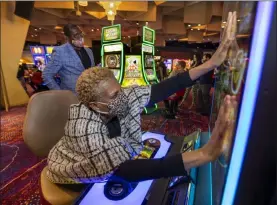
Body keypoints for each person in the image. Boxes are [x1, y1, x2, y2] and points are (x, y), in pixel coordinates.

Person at [46, 11, 237, 191]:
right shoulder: (84, 128)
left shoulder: (115, 99)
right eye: (114, 96)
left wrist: (210, 64)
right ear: (95, 105)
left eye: (120, 90)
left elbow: (162, 88)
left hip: (102, 148)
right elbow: (126, 170)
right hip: (69, 171)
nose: (123, 97)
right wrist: (204, 154)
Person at [42, 24, 95, 93]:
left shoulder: (89, 51)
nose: (80, 37)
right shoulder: (60, 51)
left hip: (90, 95)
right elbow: (47, 74)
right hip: (71, 97)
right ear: (67, 37)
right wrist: (61, 94)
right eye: (75, 35)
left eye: (81, 34)